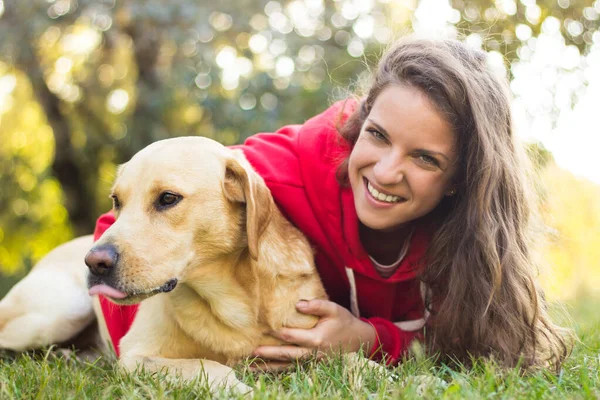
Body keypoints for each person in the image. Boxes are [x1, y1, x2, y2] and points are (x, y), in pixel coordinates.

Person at [92, 37, 571, 371]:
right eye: (377, 136)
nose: (385, 172)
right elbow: (115, 229)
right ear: (361, 121)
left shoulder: (471, 232)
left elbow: (479, 346)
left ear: (460, 180)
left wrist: (370, 340)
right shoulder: (272, 173)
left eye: (424, 158)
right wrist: (149, 351)